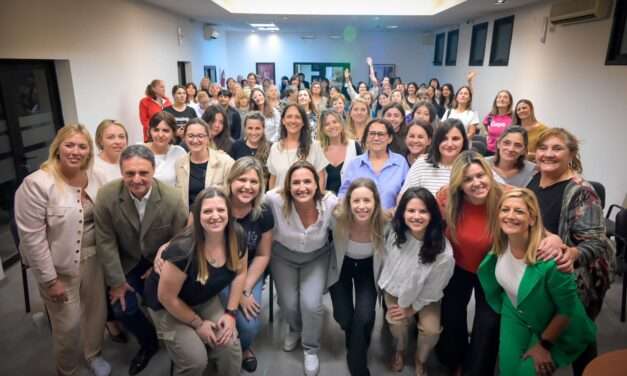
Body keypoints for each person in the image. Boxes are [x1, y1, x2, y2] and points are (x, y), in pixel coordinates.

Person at [15, 124, 111, 376]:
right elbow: (32, 239)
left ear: (89, 151)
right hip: (59, 267)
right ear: (57, 147)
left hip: (95, 259)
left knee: (95, 313)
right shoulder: (36, 184)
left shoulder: (97, 176)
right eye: (69, 145)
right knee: (67, 325)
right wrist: (49, 280)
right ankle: (67, 369)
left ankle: (94, 354)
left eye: (82, 146)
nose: (76, 151)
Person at [477, 188, 597, 376]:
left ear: (532, 219)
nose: (510, 216)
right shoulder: (500, 243)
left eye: (519, 211)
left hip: (555, 325)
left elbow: (567, 310)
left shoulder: (551, 261)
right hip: (515, 312)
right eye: (505, 209)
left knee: (527, 372)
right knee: (508, 370)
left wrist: (544, 345)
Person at [527, 128, 614, 374]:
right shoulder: (535, 176)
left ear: (571, 154)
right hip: (542, 270)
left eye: (557, 148)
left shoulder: (581, 190)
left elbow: (596, 242)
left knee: (579, 336)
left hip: (575, 278)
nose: (548, 154)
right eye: (543, 148)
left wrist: (571, 252)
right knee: (551, 331)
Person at [95, 145, 188, 375]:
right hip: (127, 261)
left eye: (143, 173)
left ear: (153, 170)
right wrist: (117, 282)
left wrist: (161, 267)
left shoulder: (173, 198)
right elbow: (105, 242)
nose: (136, 179)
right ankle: (149, 343)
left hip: (160, 261)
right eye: (129, 174)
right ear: (121, 172)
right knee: (122, 308)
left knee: (161, 302)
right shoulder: (106, 196)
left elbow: (181, 240)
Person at [144, 187, 245, 376]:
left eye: (221, 210)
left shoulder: (237, 236)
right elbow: (167, 297)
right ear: (197, 215)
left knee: (230, 347)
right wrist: (198, 324)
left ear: (229, 213)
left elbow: (240, 274)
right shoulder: (182, 249)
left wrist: (231, 313)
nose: (215, 216)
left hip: (203, 299)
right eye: (207, 211)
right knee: (195, 361)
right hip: (167, 307)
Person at [265, 161, 338, 376]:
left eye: (307, 181)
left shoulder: (330, 202)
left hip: (316, 258)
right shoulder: (274, 199)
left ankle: (310, 348)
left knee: (311, 304)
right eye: (295, 182)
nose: (302, 187)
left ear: (317, 184)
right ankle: (296, 328)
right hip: (283, 257)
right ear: (287, 186)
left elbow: (353, 214)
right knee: (288, 303)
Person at [435, 151, 502, 376]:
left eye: (480, 175)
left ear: (489, 174)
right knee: (452, 316)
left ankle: (478, 369)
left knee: (487, 323)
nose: (477, 183)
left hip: (493, 270)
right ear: (459, 184)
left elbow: (534, 222)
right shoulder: (447, 199)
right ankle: (454, 362)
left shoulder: (506, 197)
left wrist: (551, 238)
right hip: (459, 266)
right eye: (468, 179)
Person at [380, 187, 454, 375]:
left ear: (433, 215)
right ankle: (400, 350)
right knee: (396, 322)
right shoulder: (396, 233)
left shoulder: (443, 252)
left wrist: (412, 308)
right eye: (411, 211)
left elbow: (434, 288)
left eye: (423, 211)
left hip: (427, 296)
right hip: (396, 289)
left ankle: (420, 359)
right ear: (402, 212)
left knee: (431, 331)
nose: (416, 216)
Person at [327, 178, 386, 376]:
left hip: (368, 269)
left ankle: (357, 361)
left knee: (365, 315)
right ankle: (356, 337)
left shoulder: (385, 222)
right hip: (342, 266)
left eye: (367, 201)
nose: (361, 207)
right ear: (348, 202)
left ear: (376, 202)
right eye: (356, 201)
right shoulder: (336, 216)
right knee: (343, 316)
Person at [220, 158, 274, 372]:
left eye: (254, 181)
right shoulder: (215, 204)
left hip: (249, 272)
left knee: (250, 327)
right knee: (236, 320)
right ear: (231, 180)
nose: (247, 186)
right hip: (216, 273)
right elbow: (192, 242)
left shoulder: (263, 212)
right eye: (242, 179)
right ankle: (224, 351)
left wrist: (244, 288)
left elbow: (262, 255)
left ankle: (243, 347)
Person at [340, 119, 409, 211]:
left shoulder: (400, 163)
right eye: (372, 134)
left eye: (381, 134)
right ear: (366, 137)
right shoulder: (354, 164)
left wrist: (395, 211)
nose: (376, 138)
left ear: (390, 138)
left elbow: (407, 195)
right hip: (359, 221)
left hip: (391, 222)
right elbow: (343, 194)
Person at [175, 118, 234, 209]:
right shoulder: (179, 164)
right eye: (190, 136)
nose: (195, 140)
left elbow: (232, 195)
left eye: (200, 136)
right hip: (188, 219)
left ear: (208, 138)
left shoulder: (225, 162)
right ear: (184, 138)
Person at [400, 119, 469, 196]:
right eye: (444, 139)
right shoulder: (421, 164)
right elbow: (403, 198)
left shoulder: (471, 167)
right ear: (437, 141)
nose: (449, 144)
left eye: (455, 139)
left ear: (464, 141)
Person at [267, 104, 328, 189]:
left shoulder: (315, 146)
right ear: (283, 121)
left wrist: (316, 201)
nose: (293, 120)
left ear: (303, 122)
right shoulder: (275, 148)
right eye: (289, 116)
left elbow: (321, 177)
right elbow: (273, 179)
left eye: (297, 117)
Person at [317, 110, 362, 193]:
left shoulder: (354, 146)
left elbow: (363, 175)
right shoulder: (318, 149)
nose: (332, 126)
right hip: (325, 202)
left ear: (341, 124)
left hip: (350, 201)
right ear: (322, 129)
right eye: (327, 124)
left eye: (335, 122)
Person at [144, 111, 187, 186]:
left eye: (165, 131)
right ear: (150, 131)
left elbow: (182, 185)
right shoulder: (139, 151)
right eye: (156, 130)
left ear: (173, 133)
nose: (160, 135)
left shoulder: (179, 153)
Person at [482, 90, 514, 156]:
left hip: (506, 152)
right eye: (499, 97)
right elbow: (485, 125)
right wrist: (489, 133)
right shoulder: (490, 116)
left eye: (505, 97)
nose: (502, 99)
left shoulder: (513, 117)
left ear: (509, 102)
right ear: (496, 100)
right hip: (490, 151)